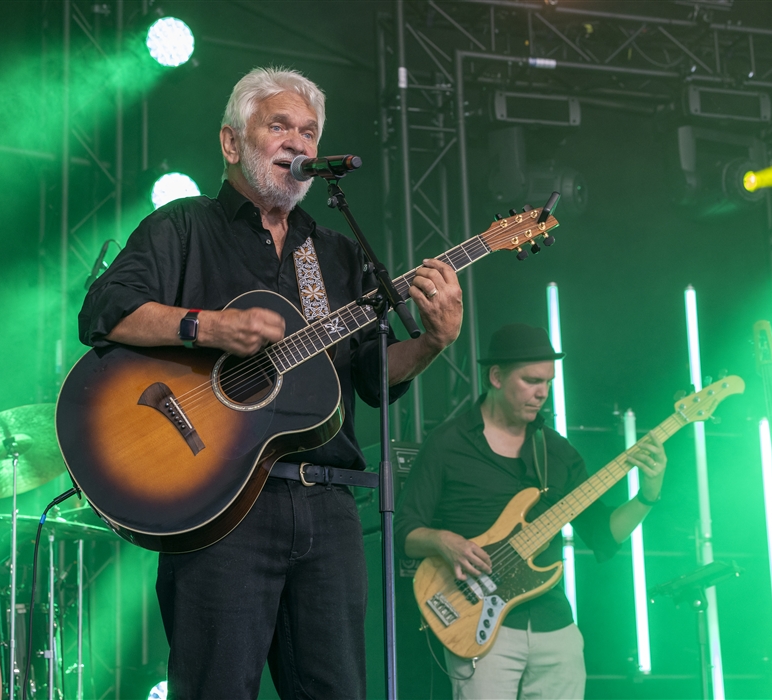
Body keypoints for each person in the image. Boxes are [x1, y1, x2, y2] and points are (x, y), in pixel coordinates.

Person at [79, 66, 463, 699]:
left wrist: (432, 341)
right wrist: (207, 328)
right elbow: (105, 310)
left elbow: (372, 377)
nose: (300, 144)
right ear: (232, 143)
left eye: (309, 133)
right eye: (279, 126)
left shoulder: (335, 254)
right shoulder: (183, 227)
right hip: (222, 504)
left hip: (329, 508)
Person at [395, 323, 667, 700]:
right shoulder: (448, 443)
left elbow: (602, 533)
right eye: (531, 380)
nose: (543, 393)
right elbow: (403, 531)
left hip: (554, 625)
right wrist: (444, 541)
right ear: (496, 376)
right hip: (475, 621)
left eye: (548, 382)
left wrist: (647, 495)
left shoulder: (557, 452)